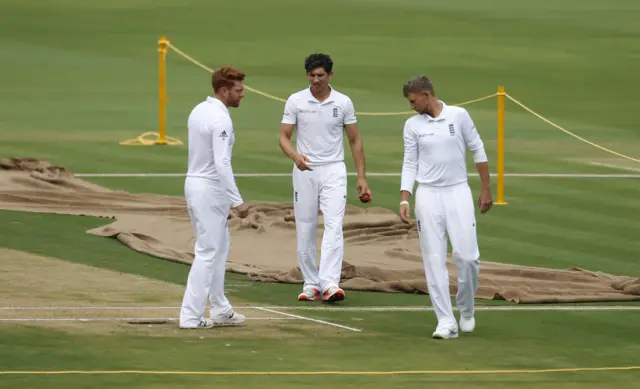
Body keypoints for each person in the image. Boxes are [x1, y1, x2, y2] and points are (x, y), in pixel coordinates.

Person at [398, 75, 493, 339]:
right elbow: (409, 162)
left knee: (468, 257)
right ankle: (445, 321)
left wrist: (486, 188)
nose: (412, 106)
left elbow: (478, 150)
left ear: (427, 95)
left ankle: (466, 307)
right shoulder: (412, 125)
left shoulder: (459, 116)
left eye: (414, 101)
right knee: (434, 260)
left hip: (457, 191)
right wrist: (405, 197)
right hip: (428, 195)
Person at [278, 53, 372, 303]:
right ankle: (310, 283)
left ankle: (330, 283)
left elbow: (355, 140)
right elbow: (284, 136)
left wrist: (361, 177)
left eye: (321, 75)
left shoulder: (343, 102)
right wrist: (295, 156)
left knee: (333, 225)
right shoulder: (296, 100)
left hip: (334, 170)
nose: (316, 80)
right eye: (312, 75)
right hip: (305, 170)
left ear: (330, 75)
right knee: (305, 226)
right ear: (307, 75)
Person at [179, 66, 250, 329]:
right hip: (209, 189)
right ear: (224, 91)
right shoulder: (221, 119)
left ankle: (220, 308)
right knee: (208, 252)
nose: (242, 95)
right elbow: (221, 162)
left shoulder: (199, 109)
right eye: (238, 90)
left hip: (196, 185)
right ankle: (190, 316)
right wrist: (237, 200)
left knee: (219, 250)